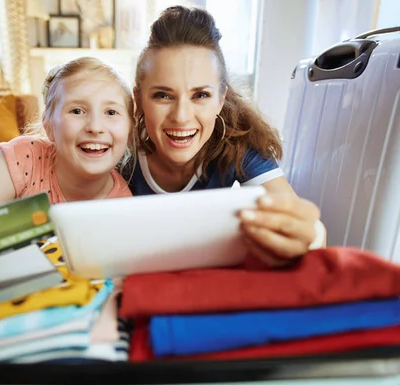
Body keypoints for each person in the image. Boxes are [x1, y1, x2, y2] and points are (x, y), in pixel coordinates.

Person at [0, 57, 135, 294]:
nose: (95, 126)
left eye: (111, 111)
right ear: (49, 125)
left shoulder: (123, 206)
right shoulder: (23, 159)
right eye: (77, 110)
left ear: (130, 128)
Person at [129, 6, 326, 267]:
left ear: (221, 99)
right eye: (163, 95)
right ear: (139, 100)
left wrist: (310, 236)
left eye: (200, 95)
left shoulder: (238, 145)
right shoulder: (119, 151)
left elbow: (301, 223)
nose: (181, 117)